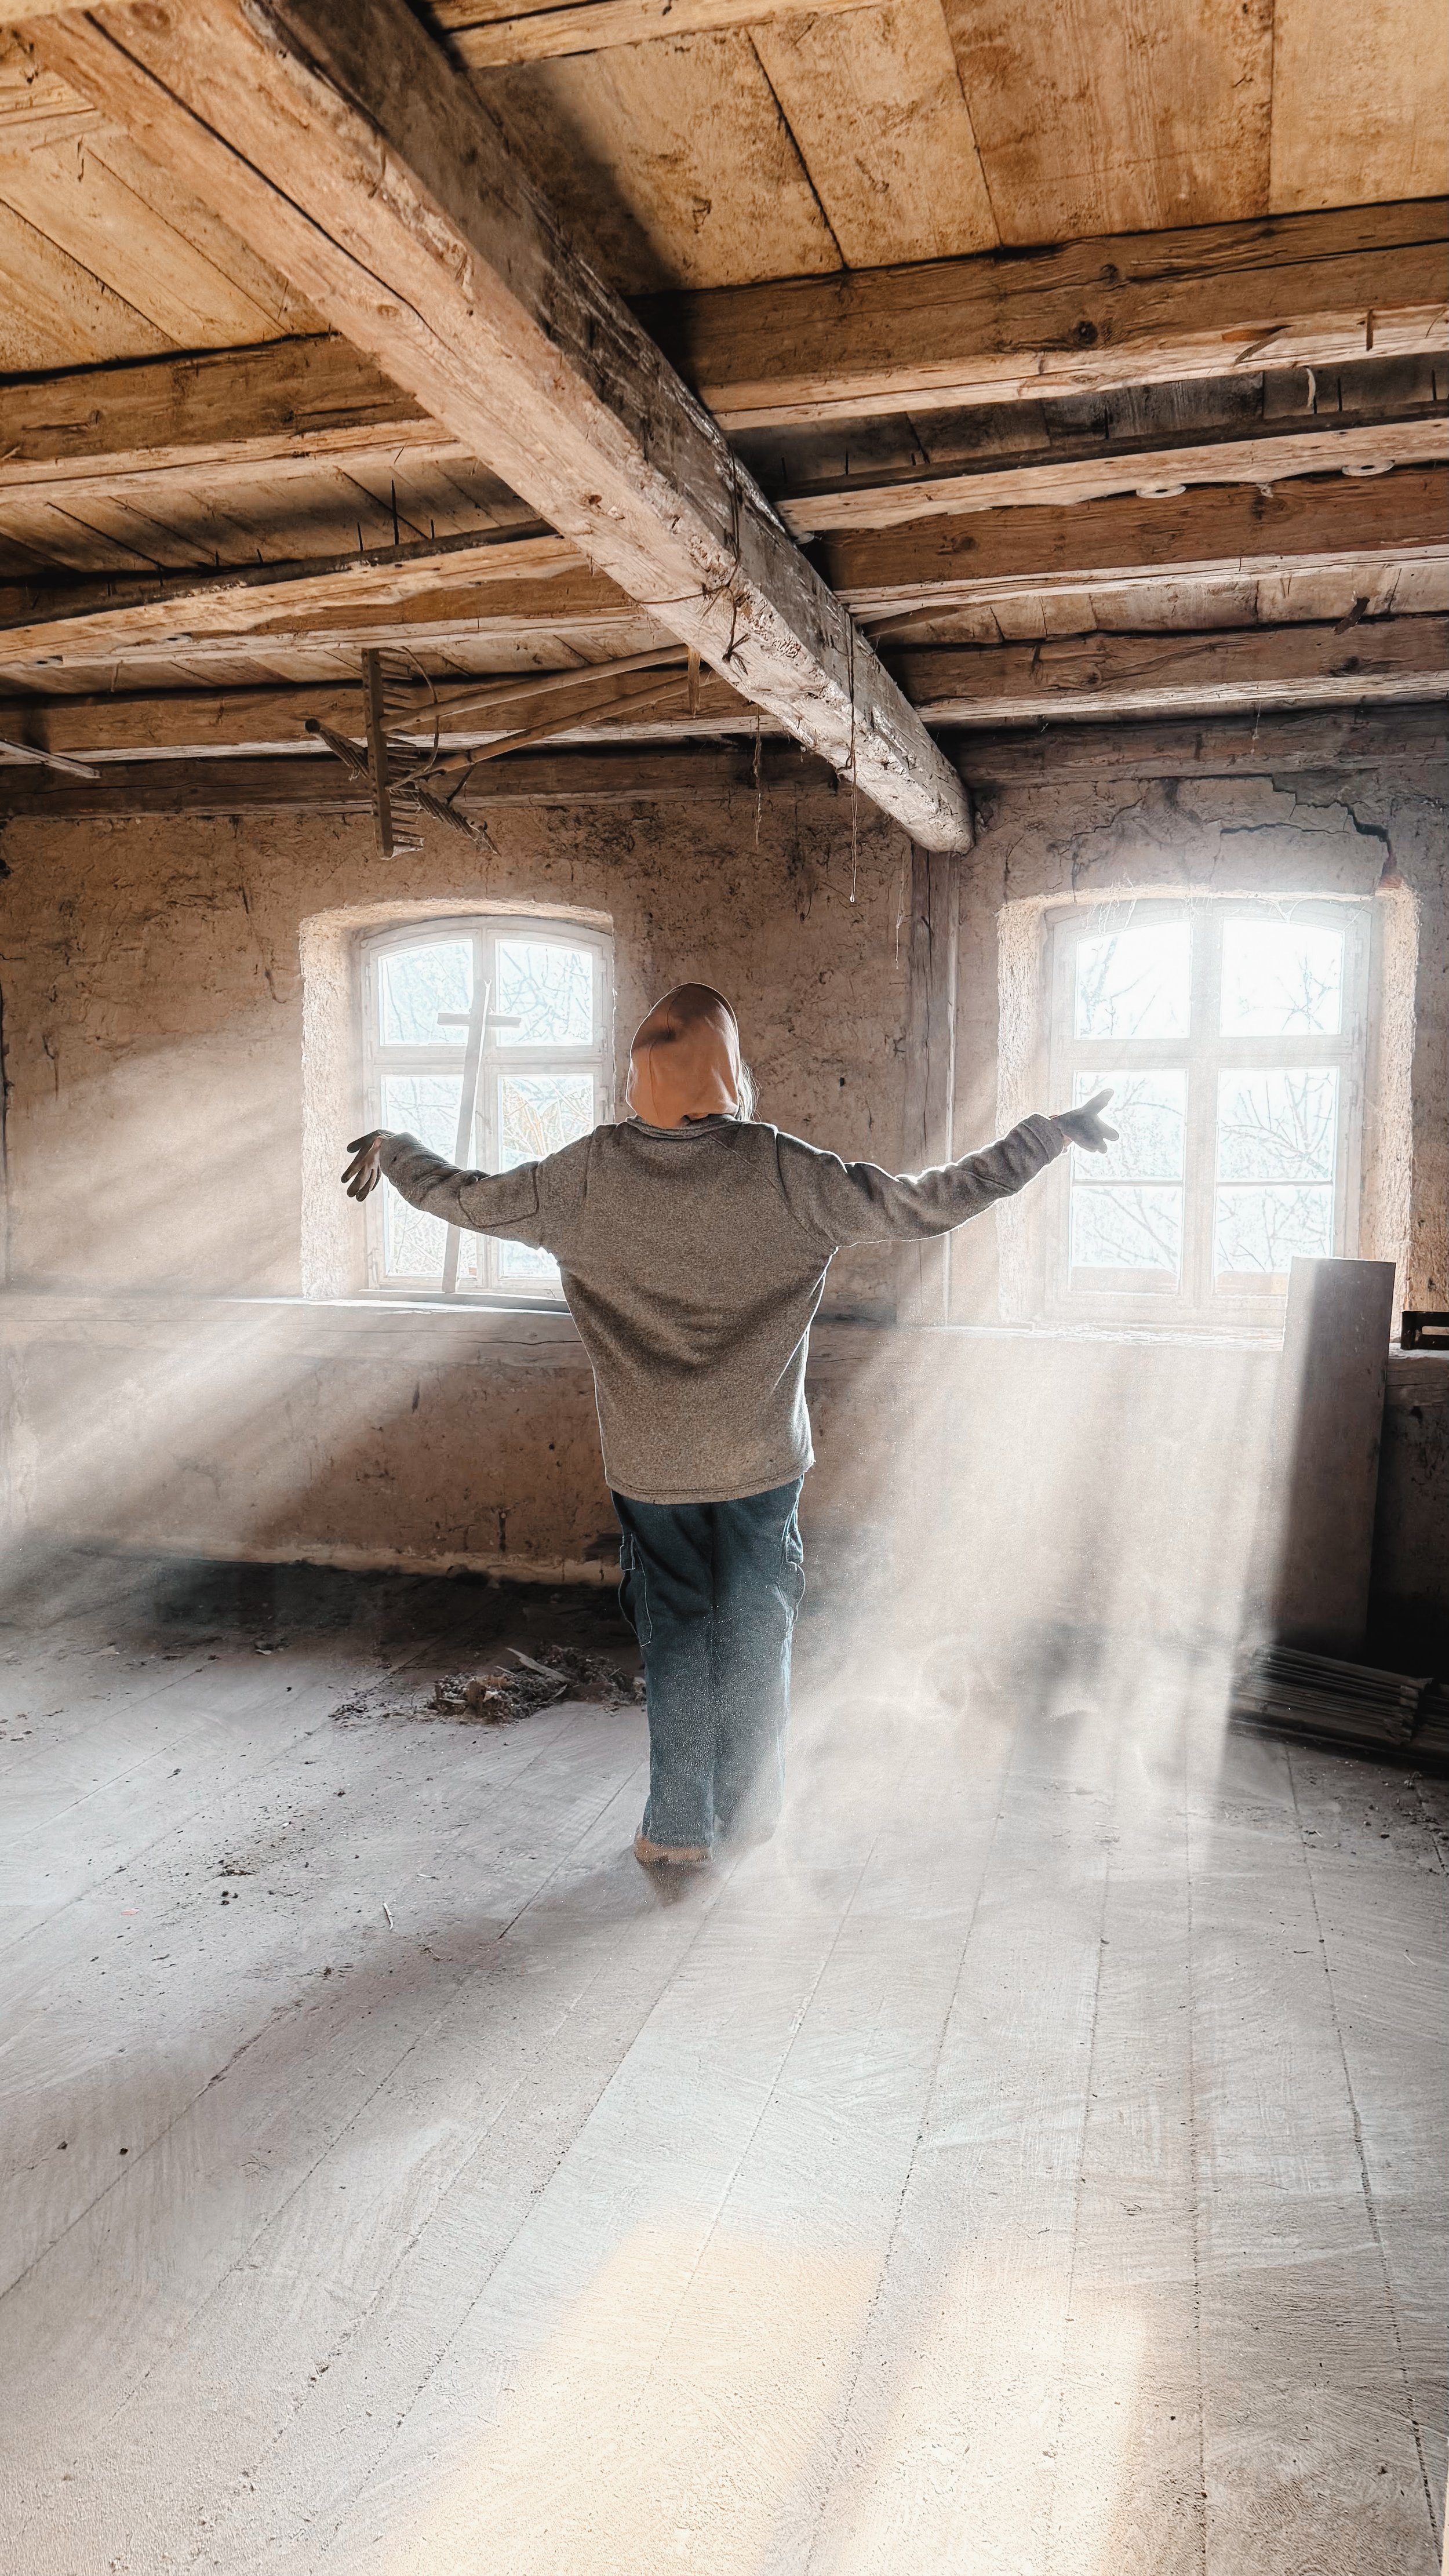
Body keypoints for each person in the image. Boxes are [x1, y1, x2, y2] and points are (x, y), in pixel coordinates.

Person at [342, 984, 1116, 1871]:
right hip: (759, 1461)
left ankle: (675, 1830)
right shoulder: (786, 1170)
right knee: (757, 1633)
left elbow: (464, 1199)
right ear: (731, 1071)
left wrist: (397, 1151)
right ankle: (751, 1820)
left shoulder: (582, 1177)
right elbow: (926, 1203)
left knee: (676, 1636)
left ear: (639, 1076)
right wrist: (1043, 1137)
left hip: (649, 1466)